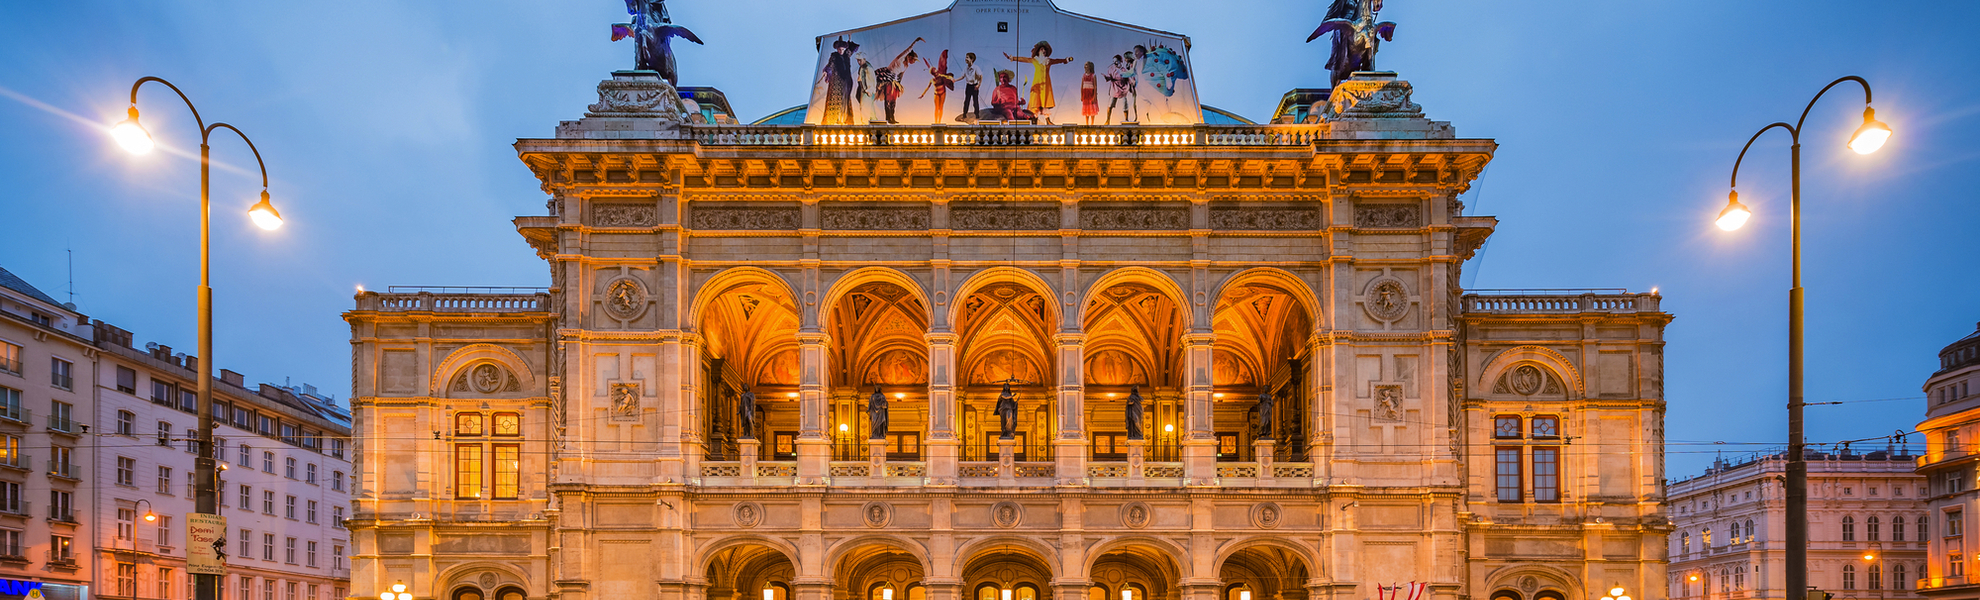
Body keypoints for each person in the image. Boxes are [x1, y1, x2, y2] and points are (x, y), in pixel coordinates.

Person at [1004, 41, 1072, 124]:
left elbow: (1057, 60)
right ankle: (1034, 120)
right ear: (1038, 51)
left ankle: (1048, 121)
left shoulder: (1048, 61)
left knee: (1044, 101)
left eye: (1045, 50)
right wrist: (1012, 58)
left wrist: (1066, 60)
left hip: (1046, 84)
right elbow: (1024, 59)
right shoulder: (1035, 60)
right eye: (1042, 49)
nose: (1044, 51)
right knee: (1036, 101)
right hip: (1037, 83)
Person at [873, 37, 925, 124]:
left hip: (894, 82)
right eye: (913, 60)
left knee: (893, 100)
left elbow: (901, 76)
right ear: (909, 57)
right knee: (888, 99)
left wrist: (898, 85)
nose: (914, 62)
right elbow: (907, 50)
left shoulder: (906, 66)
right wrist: (915, 41)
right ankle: (888, 117)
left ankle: (892, 117)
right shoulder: (900, 59)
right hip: (887, 78)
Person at [818, 39, 857, 125]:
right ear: (837, 49)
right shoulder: (834, 56)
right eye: (839, 49)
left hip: (846, 80)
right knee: (835, 99)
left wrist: (850, 40)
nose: (841, 51)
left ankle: (844, 118)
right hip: (836, 81)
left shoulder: (846, 55)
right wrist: (826, 71)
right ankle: (834, 119)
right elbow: (830, 64)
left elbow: (852, 48)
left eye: (842, 49)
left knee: (845, 99)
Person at [920, 49, 958, 123]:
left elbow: (947, 77)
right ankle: (936, 122)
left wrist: (951, 78)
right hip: (936, 94)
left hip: (943, 92)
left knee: (941, 108)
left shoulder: (941, 75)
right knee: (936, 108)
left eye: (936, 71)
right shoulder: (932, 80)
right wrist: (922, 94)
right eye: (935, 72)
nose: (936, 72)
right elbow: (927, 88)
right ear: (933, 73)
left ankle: (939, 121)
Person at [1104, 54, 1132, 124]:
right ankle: (1108, 120)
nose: (1115, 63)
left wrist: (1131, 86)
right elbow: (1108, 77)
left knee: (1125, 105)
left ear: (1120, 61)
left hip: (1123, 89)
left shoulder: (1123, 70)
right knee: (1110, 105)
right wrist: (1107, 78)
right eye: (1114, 61)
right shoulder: (1111, 69)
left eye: (1116, 61)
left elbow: (1128, 79)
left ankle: (1126, 120)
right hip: (1114, 89)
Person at [957, 52, 983, 122]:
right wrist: (955, 80)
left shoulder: (976, 68)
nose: (965, 59)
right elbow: (962, 76)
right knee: (966, 101)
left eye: (967, 57)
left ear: (972, 59)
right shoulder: (966, 68)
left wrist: (978, 85)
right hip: (968, 86)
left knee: (975, 101)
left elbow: (981, 76)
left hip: (974, 86)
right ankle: (964, 115)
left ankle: (977, 116)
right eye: (966, 57)